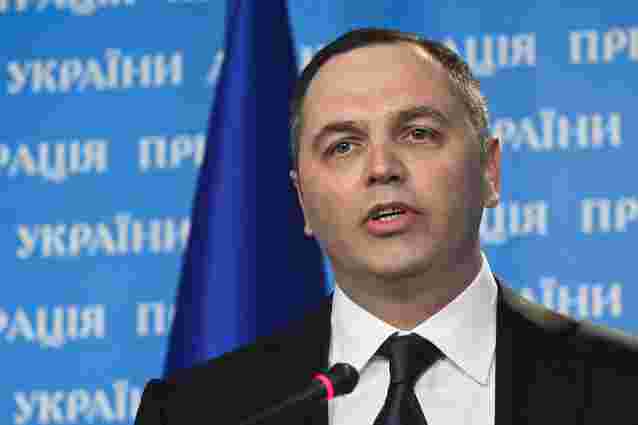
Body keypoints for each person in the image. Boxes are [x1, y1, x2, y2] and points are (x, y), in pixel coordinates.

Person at [134, 28, 638, 425]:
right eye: (343, 146)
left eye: (417, 133)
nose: (382, 168)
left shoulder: (623, 385)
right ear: (302, 200)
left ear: (489, 171)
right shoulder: (197, 413)